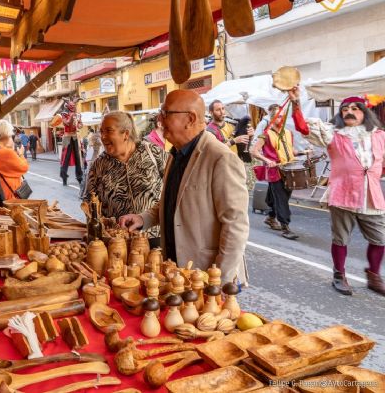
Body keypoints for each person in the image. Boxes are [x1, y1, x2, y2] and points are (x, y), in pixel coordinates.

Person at [118, 90, 249, 284]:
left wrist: (218, 281)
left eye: (166, 113)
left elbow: (235, 225)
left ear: (190, 118)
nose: (159, 119)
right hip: (176, 269)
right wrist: (142, 218)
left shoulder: (220, 158)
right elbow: (171, 203)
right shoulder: (176, 153)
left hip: (205, 273)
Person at [294, 91, 385, 296]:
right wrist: (295, 103)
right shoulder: (332, 133)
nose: (349, 112)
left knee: (380, 239)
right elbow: (303, 127)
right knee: (340, 239)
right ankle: (339, 275)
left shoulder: (379, 136)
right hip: (343, 195)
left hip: (371, 195)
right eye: (344, 109)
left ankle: (374, 276)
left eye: (354, 109)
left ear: (364, 112)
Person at [85, 111, 168, 239]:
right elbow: (89, 203)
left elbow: (174, 191)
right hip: (116, 242)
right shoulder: (98, 165)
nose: (103, 136)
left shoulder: (153, 153)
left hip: (154, 237)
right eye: (101, 131)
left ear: (126, 134)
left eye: (109, 131)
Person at [251, 103, 308, 240]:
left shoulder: (288, 133)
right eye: (277, 117)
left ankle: (270, 217)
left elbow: (290, 150)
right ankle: (285, 227)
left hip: (288, 170)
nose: (280, 119)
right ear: (272, 118)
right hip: (275, 171)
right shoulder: (265, 135)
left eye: (282, 116)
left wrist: (301, 152)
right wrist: (266, 160)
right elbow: (253, 151)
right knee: (281, 199)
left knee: (278, 196)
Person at [0, 120, 30, 200]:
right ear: (7, 134)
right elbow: (24, 167)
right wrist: (21, 154)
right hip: (10, 193)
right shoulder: (6, 153)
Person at [59, 99, 84, 186]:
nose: (73, 107)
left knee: (78, 157)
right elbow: (66, 123)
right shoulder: (64, 114)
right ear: (68, 106)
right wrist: (71, 117)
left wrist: (79, 125)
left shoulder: (78, 115)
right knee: (65, 157)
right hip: (67, 137)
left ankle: (80, 177)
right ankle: (64, 177)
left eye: (74, 105)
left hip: (75, 136)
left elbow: (81, 124)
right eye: (71, 105)